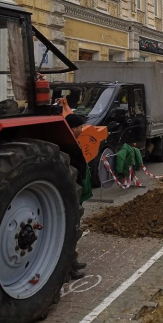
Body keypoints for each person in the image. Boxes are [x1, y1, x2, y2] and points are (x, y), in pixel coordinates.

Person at [65, 113, 90, 280]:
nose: (82, 130)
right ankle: (67, 269)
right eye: (80, 127)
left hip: (75, 191)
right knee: (68, 231)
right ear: (73, 128)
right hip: (68, 194)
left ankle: (72, 261)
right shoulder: (67, 146)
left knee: (74, 230)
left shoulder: (71, 143)